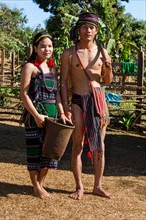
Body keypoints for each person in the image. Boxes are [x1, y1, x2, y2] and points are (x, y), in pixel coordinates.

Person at [60, 12, 113, 200]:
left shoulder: (102, 52)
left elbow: (107, 81)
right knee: (77, 146)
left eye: (91, 27)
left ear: (96, 31)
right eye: (84, 27)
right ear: (79, 30)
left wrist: (107, 67)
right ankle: (79, 187)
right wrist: (65, 107)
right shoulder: (69, 53)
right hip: (77, 101)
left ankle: (98, 186)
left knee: (100, 146)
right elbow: (64, 83)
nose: (87, 30)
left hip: (98, 102)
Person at [20, 31, 69, 199]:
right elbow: (24, 94)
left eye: (50, 46)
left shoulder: (53, 68)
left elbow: (56, 94)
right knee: (35, 151)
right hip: (35, 116)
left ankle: (40, 184)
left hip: (53, 116)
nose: (46, 49)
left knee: (51, 151)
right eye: (42, 46)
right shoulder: (30, 67)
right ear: (35, 48)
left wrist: (61, 112)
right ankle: (36, 187)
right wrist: (36, 115)